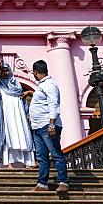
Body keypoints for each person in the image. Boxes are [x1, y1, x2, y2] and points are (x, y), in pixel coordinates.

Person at [29, 60, 69, 192]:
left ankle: (63, 181)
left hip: (48, 126)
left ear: (35, 72)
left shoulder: (50, 85)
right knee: (41, 156)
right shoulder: (42, 85)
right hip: (38, 126)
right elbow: (42, 103)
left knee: (56, 154)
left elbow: (54, 104)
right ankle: (42, 183)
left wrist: (52, 125)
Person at [0, 61, 35, 167]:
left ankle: (26, 163)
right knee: (8, 137)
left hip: (19, 115)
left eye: (7, 70)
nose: (5, 73)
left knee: (22, 136)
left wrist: (27, 114)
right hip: (6, 115)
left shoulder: (17, 84)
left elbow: (23, 100)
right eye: (3, 71)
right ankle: (8, 163)